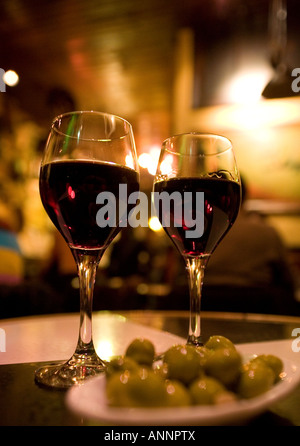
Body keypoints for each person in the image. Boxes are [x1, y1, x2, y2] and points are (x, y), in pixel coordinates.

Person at [202, 178, 298, 315]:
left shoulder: (193, 233)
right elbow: (289, 281)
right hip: (257, 312)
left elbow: (177, 277)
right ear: (242, 196)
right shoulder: (266, 232)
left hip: (201, 309)